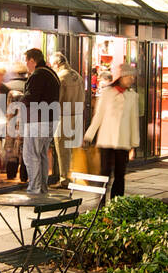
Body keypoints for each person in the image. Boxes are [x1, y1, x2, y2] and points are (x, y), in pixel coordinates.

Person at [84, 62, 140, 200]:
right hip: (106, 140)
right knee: (104, 173)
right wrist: (89, 135)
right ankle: (101, 201)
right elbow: (98, 116)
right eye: (129, 77)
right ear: (122, 77)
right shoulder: (107, 93)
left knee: (120, 174)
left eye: (132, 77)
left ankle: (117, 202)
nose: (131, 79)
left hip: (123, 141)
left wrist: (134, 142)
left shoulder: (133, 96)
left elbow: (134, 120)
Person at [21, 48, 60, 195]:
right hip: (51, 120)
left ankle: (35, 189)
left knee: (31, 155)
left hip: (38, 121)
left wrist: (20, 100)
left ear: (32, 60)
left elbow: (31, 98)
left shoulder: (38, 75)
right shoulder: (52, 73)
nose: (26, 65)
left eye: (26, 61)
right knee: (42, 154)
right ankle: (42, 188)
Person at [51, 52, 85, 188]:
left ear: (57, 64)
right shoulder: (77, 75)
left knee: (62, 150)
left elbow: (57, 99)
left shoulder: (60, 77)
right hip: (76, 115)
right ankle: (73, 176)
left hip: (64, 116)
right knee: (72, 149)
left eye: (52, 65)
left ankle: (64, 179)